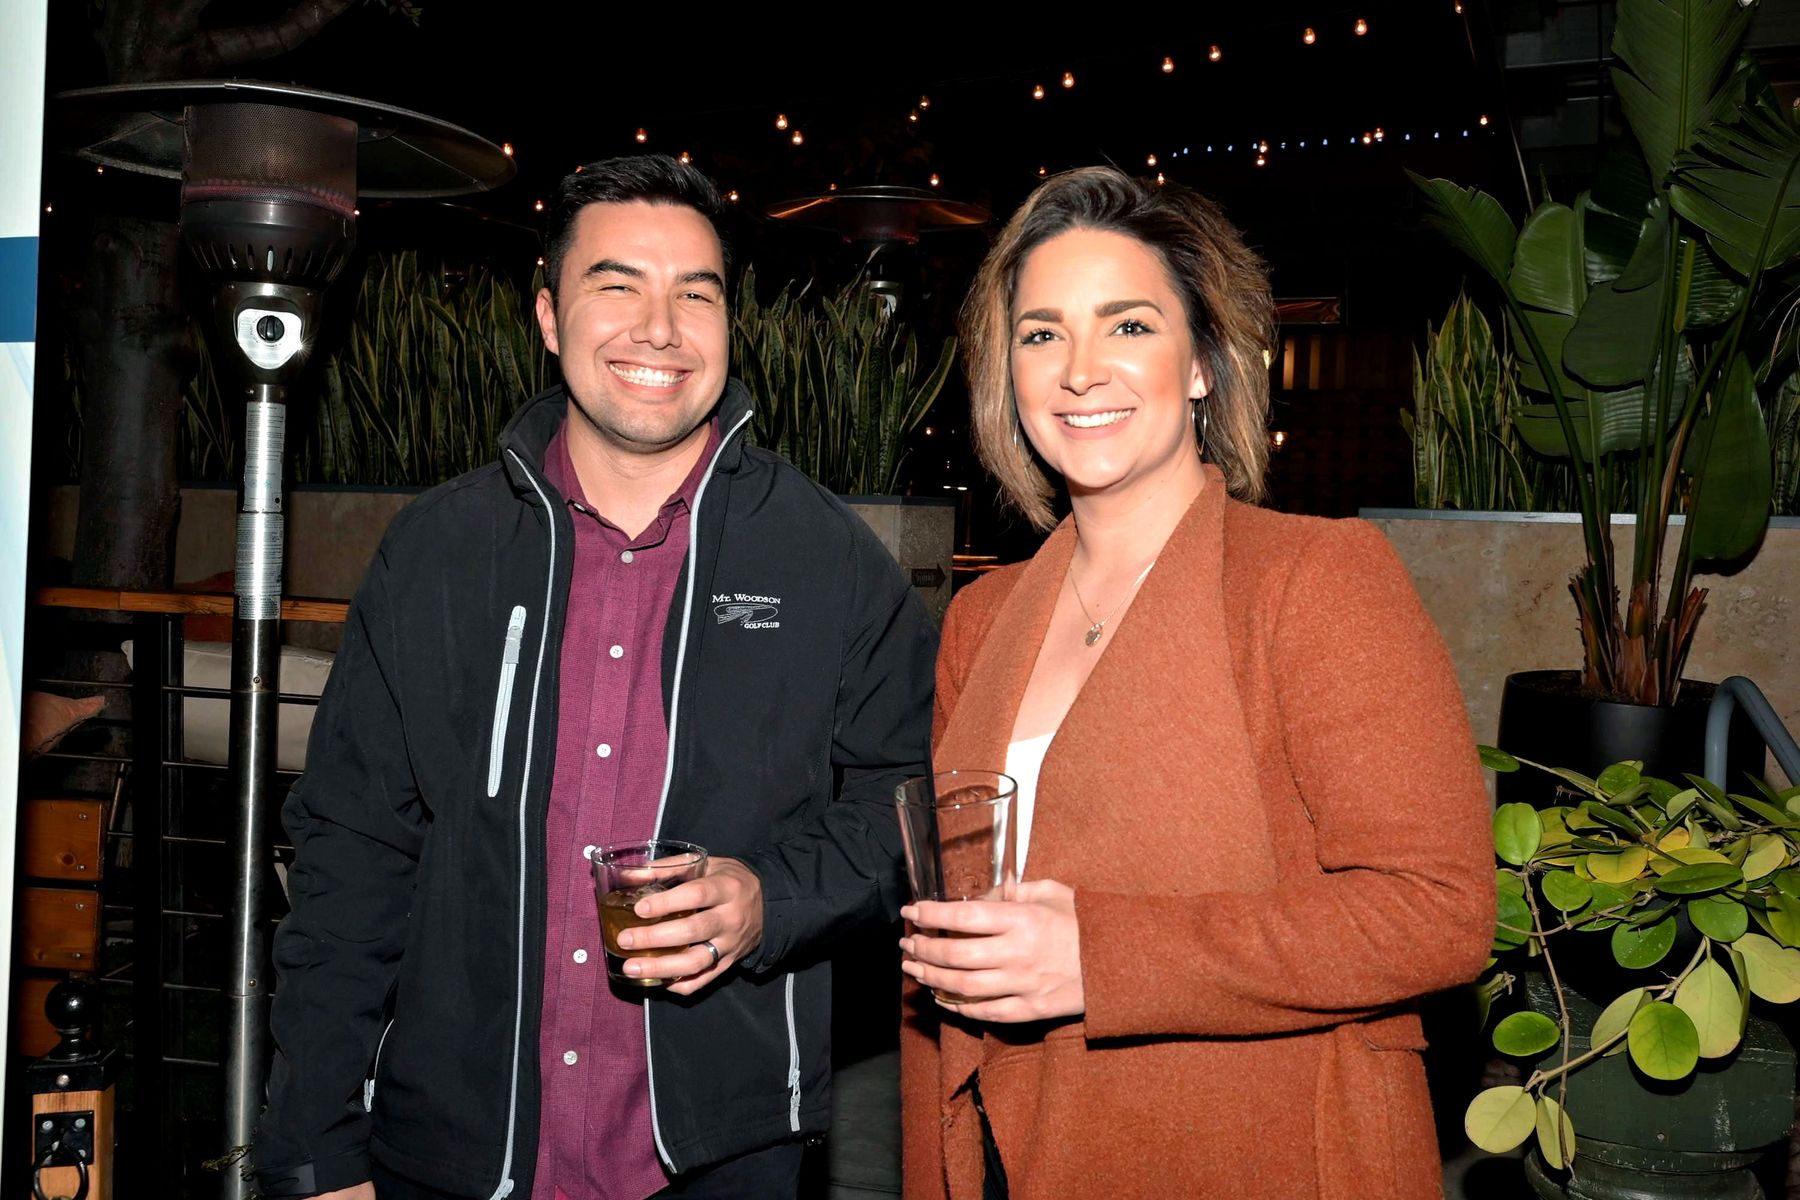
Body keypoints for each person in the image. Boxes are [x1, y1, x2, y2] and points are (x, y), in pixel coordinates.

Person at [253, 155, 936, 1200]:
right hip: (453, 1150)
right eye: (617, 286)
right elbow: (353, 850)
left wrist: (770, 897)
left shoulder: (825, 559)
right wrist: (316, 1147)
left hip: (717, 1156)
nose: (659, 329)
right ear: (548, 316)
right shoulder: (437, 552)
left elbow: (910, 801)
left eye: (695, 294)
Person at [898, 166, 1494, 1200]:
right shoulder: (983, 620)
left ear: (1205, 366)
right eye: (1041, 335)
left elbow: (1436, 912)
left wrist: (1104, 958)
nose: (1080, 371)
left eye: (1128, 326)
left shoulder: (1313, 580)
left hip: (1262, 1149)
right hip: (1022, 1146)